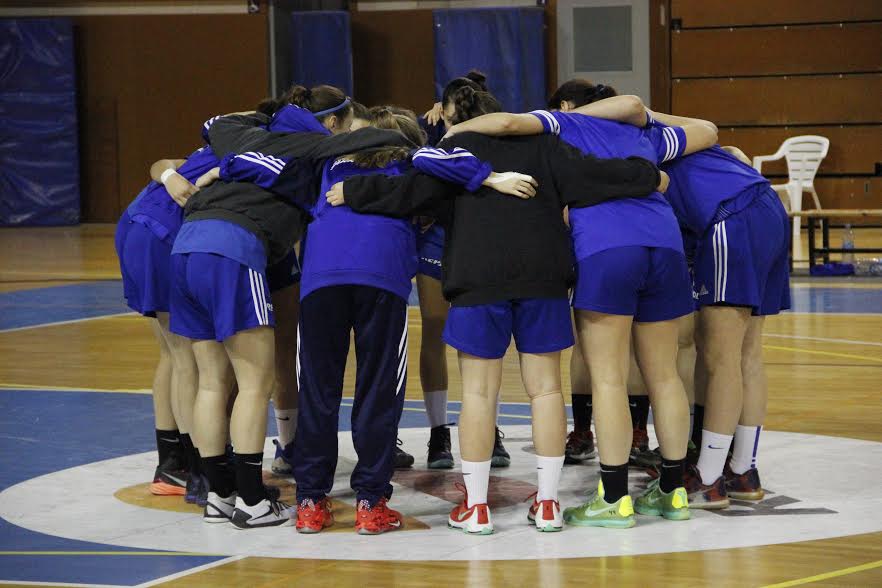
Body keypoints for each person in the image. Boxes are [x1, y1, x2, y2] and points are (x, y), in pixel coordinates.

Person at [334, 85, 666, 534]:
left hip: (478, 279)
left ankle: (475, 508)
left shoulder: (454, 149)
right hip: (543, 278)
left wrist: (353, 191)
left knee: (478, 394)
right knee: (545, 391)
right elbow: (599, 175)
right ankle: (547, 504)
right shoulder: (548, 144)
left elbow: (409, 191)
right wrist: (649, 177)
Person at [444, 80, 717, 528]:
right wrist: (646, 117)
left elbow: (510, 121)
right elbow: (707, 129)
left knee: (608, 378)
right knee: (665, 375)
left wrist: (459, 130)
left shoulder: (562, 125)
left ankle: (613, 498)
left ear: (571, 106)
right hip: (664, 244)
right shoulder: (646, 135)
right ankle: (673, 492)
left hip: (608, 249)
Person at [175, 85, 415, 529]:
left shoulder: (253, 141)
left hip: (187, 244)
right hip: (344, 269)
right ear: (334, 125)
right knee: (354, 387)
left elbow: (201, 141)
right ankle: (362, 502)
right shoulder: (334, 155)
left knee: (268, 386)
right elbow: (423, 182)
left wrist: (181, 176)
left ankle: (284, 499)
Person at [662, 143, 790, 508]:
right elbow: (736, 152)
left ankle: (708, 478)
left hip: (729, 216)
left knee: (720, 356)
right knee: (747, 353)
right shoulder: (681, 136)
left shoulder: (629, 147)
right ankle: (743, 471)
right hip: (769, 206)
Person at [115, 126, 220, 503]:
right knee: (188, 357)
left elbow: (161, 163)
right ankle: (199, 471)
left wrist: (168, 175)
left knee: (173, 355)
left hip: (136, 223)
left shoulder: (221, 142)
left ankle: (173, 463)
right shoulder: (257, 151)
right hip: (161, 235)